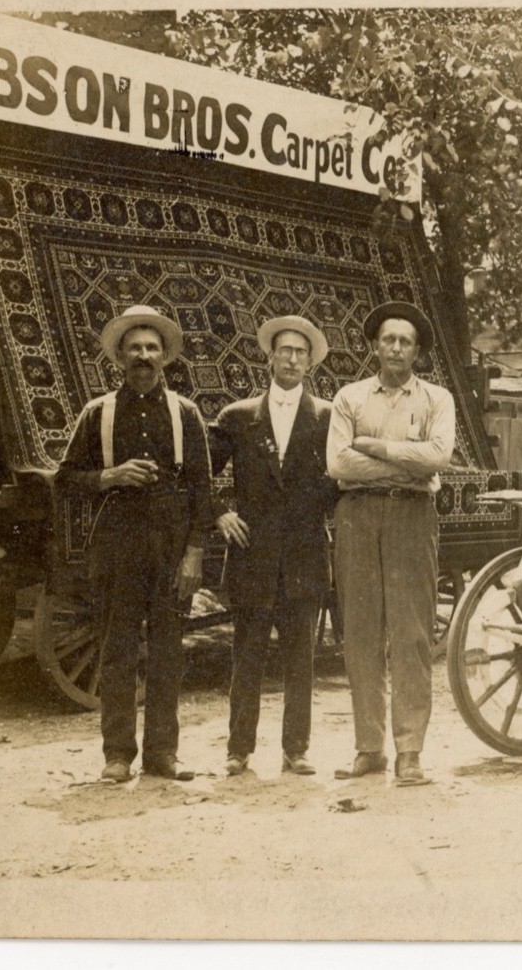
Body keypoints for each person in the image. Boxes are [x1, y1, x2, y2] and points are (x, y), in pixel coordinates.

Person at [54, 305, 212, 782]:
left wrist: (194, 553)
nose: (144, 356)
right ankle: (117, 755)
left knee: (168, 650)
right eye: (135, 348)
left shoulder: (185, 413)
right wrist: (109, 475)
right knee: (118, 649)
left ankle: (163, 754)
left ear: (165, 357)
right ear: (120, 356)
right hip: (117, 545)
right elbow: (63, 481)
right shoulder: (98, 413)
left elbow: (203, 491)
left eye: (152, 348)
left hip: (171, 546)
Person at [326, 301, 456, 786]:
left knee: (412, 634)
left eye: (405, 341)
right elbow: (339, 465)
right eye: (388, 339)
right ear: (373, 346)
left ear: (417, 350)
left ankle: (410, 752)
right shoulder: (349, 398)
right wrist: (408, 462)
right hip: (357, 517)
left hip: (411, 517)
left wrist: (378, 448)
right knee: (359, 632)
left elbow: (439, 455)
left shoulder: (437, 399)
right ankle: (369, 747)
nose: (396, 348)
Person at [209, 315, 337, 778]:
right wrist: (220, 511)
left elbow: (341, 477)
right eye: (284, 350)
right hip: (253, 558)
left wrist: (322, 509)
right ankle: (238, 749)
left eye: (301, 353)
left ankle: (296, 749)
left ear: (310, 363)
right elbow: (199, 473)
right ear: (269, 357)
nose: (292, 359)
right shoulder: (238, 417)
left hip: (303, 557)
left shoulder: (326, 417)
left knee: (302, 658)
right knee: (248, 654)